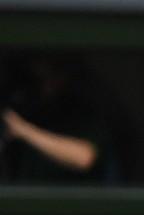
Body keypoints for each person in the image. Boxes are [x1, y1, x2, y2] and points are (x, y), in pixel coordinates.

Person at [1, 54, 110, 183]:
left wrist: (23, 130)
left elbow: (84, 157)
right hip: (25, 198)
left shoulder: (83, 114)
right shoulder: (27, 109)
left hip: (69, 199)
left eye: (48, 78)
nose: (43, 87)